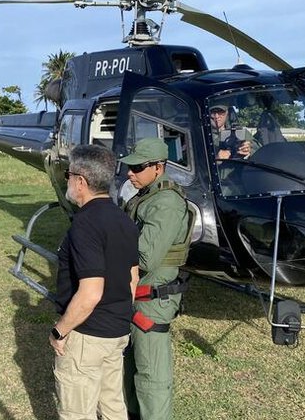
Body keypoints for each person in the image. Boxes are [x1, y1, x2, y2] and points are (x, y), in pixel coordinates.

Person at [50, 144, 139, 420]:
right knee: (112, 405)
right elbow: (132, 277)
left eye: (68, 174)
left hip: (87, 335)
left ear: (81, 181)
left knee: (77, 412)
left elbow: (90, 292)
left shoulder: (85, 224)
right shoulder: (123, 220)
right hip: (116, 332)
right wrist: (118, 318)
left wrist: (60, 331)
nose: (67, 180)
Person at [120, 138, 193, 420]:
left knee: (151, 372)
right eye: (130, 166)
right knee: (133, 363)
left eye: (138, 167)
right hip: (140, 294)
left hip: (152, 299)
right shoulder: (147, 195)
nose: (130, 172)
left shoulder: (165, 203)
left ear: (158, 168)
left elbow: (146, 258)